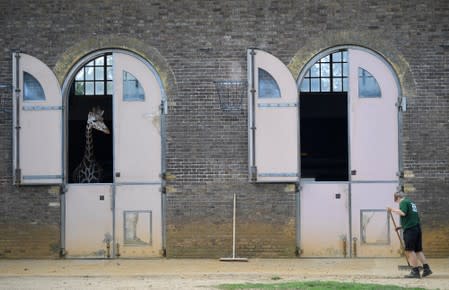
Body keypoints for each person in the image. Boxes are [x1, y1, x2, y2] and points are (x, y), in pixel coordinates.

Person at [387, 191, 432, 278]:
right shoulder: (411, 203)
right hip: (416, 228)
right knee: (418, 250)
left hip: (411, 230)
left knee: (410, 250)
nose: (398, 203)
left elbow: (403, 213)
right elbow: (411, 218)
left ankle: (415, 271)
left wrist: (391, 209)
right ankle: (427, 269)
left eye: (397, 201)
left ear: (398, 198)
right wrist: (401, 226)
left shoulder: (403, 202)